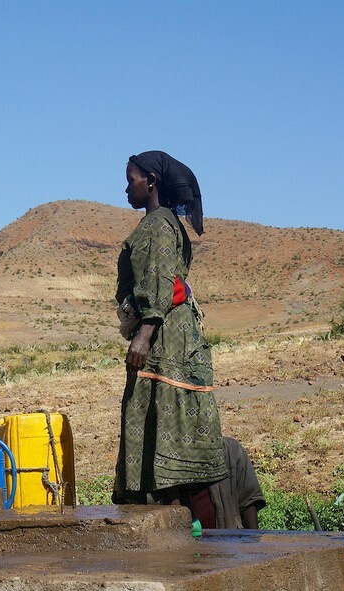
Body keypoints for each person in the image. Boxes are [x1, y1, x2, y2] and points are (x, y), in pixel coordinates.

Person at [112, 150, 227, 507]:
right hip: (177, 336)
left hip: (162, 341)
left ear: (151, 181)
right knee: (164, 424)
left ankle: (168, 525)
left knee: (154, 419)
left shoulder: (157, 225)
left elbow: (158, 282)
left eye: (131, 180)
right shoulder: (169, 224)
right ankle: (178, 521)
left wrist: (144, 334)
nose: (126, 188)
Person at [189, 436, 267, 529]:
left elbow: (249, 501)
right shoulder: (171, 458)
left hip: (227, 537)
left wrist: (253, 539)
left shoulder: (230, 450)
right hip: (184, 539)